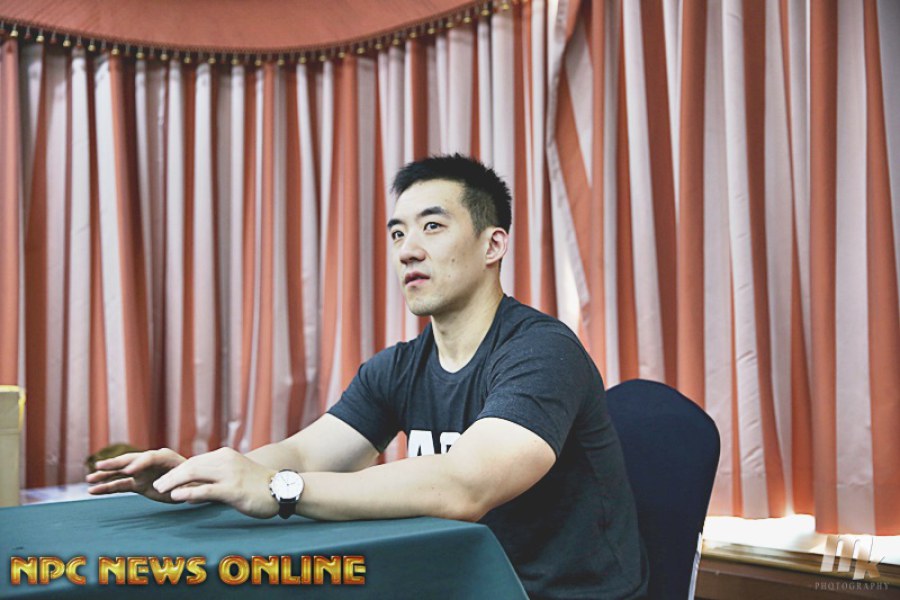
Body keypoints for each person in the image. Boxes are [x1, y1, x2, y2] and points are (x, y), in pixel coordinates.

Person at [88, 154, 648, 599]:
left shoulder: (542, 352)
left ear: (493, 245)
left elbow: (466, 485)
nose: (408, 251)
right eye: (398, 234)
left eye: (433, 227)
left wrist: (278, 491)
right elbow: (306, 455)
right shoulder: (398, 367)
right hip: (452, 584)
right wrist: (197, 482)